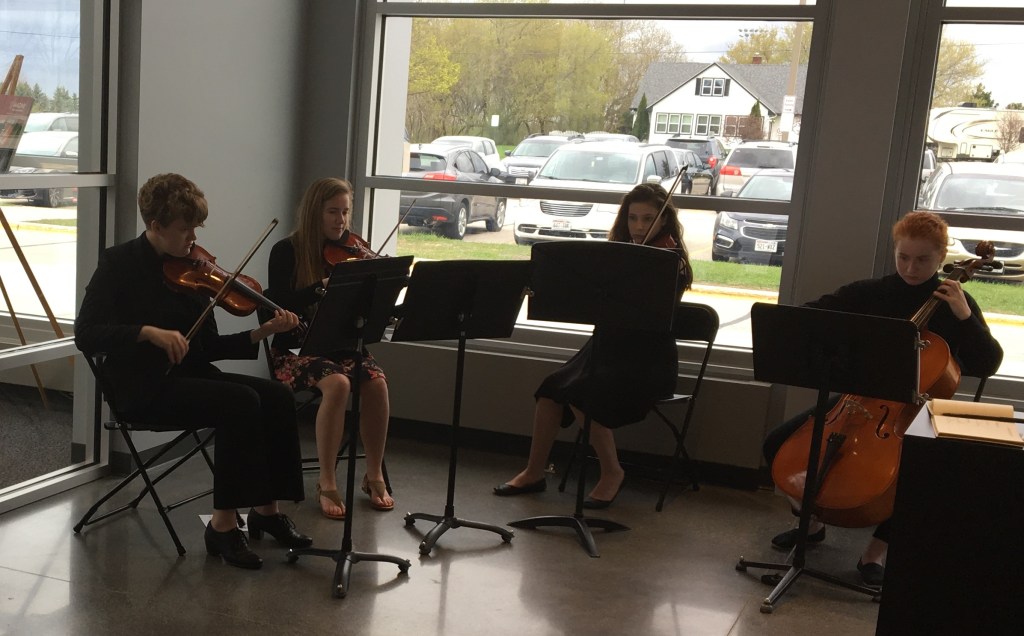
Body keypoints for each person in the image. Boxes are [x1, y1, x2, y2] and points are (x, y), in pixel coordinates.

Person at [75, 173, 312, 570]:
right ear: (156, 226)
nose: (193, 237)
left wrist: (261, 331)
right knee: (239, 402)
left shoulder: (194, 268)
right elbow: (86, 334)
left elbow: (208, 347)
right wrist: (146, 333)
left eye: (196, 227)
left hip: (190, 376)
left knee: (277, 396)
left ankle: (266, 512)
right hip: (143, 387)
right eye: (185, 229)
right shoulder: (119, 264)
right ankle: (222, 527)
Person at [762, 210, 1003, 587]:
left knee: (919, 472)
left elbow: (988, 362)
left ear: (942, 257)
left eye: (922, 259)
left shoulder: (956, 301)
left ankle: (875, 552)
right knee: (776, 444)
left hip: (918, 410)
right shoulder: (870, 293)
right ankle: (811, 525)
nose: (910, 267)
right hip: (857, 400)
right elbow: (810, 317)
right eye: (903, 257)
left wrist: (964, 315)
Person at [494, 183, 693, 508]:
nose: (639, 226)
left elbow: (650, 316)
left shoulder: (671, 262)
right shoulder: (615, 257)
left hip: (646, 360)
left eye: (648, 219)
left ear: (664, 220)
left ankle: (612, 472)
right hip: (604, 349)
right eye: (633, 218)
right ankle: (534, 472)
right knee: (550, 390)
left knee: (579, 393)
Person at [265, 177, 394, 520]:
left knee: (377, 383)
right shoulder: (286, 251)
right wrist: (322, 286)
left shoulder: (352, 251)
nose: (341, 220)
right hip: (295, 350)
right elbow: (277, 304)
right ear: (315, 213)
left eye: (345, 212)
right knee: (337, 384)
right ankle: (326, 480)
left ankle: (374, 473)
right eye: (333, 212)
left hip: (341, 345)